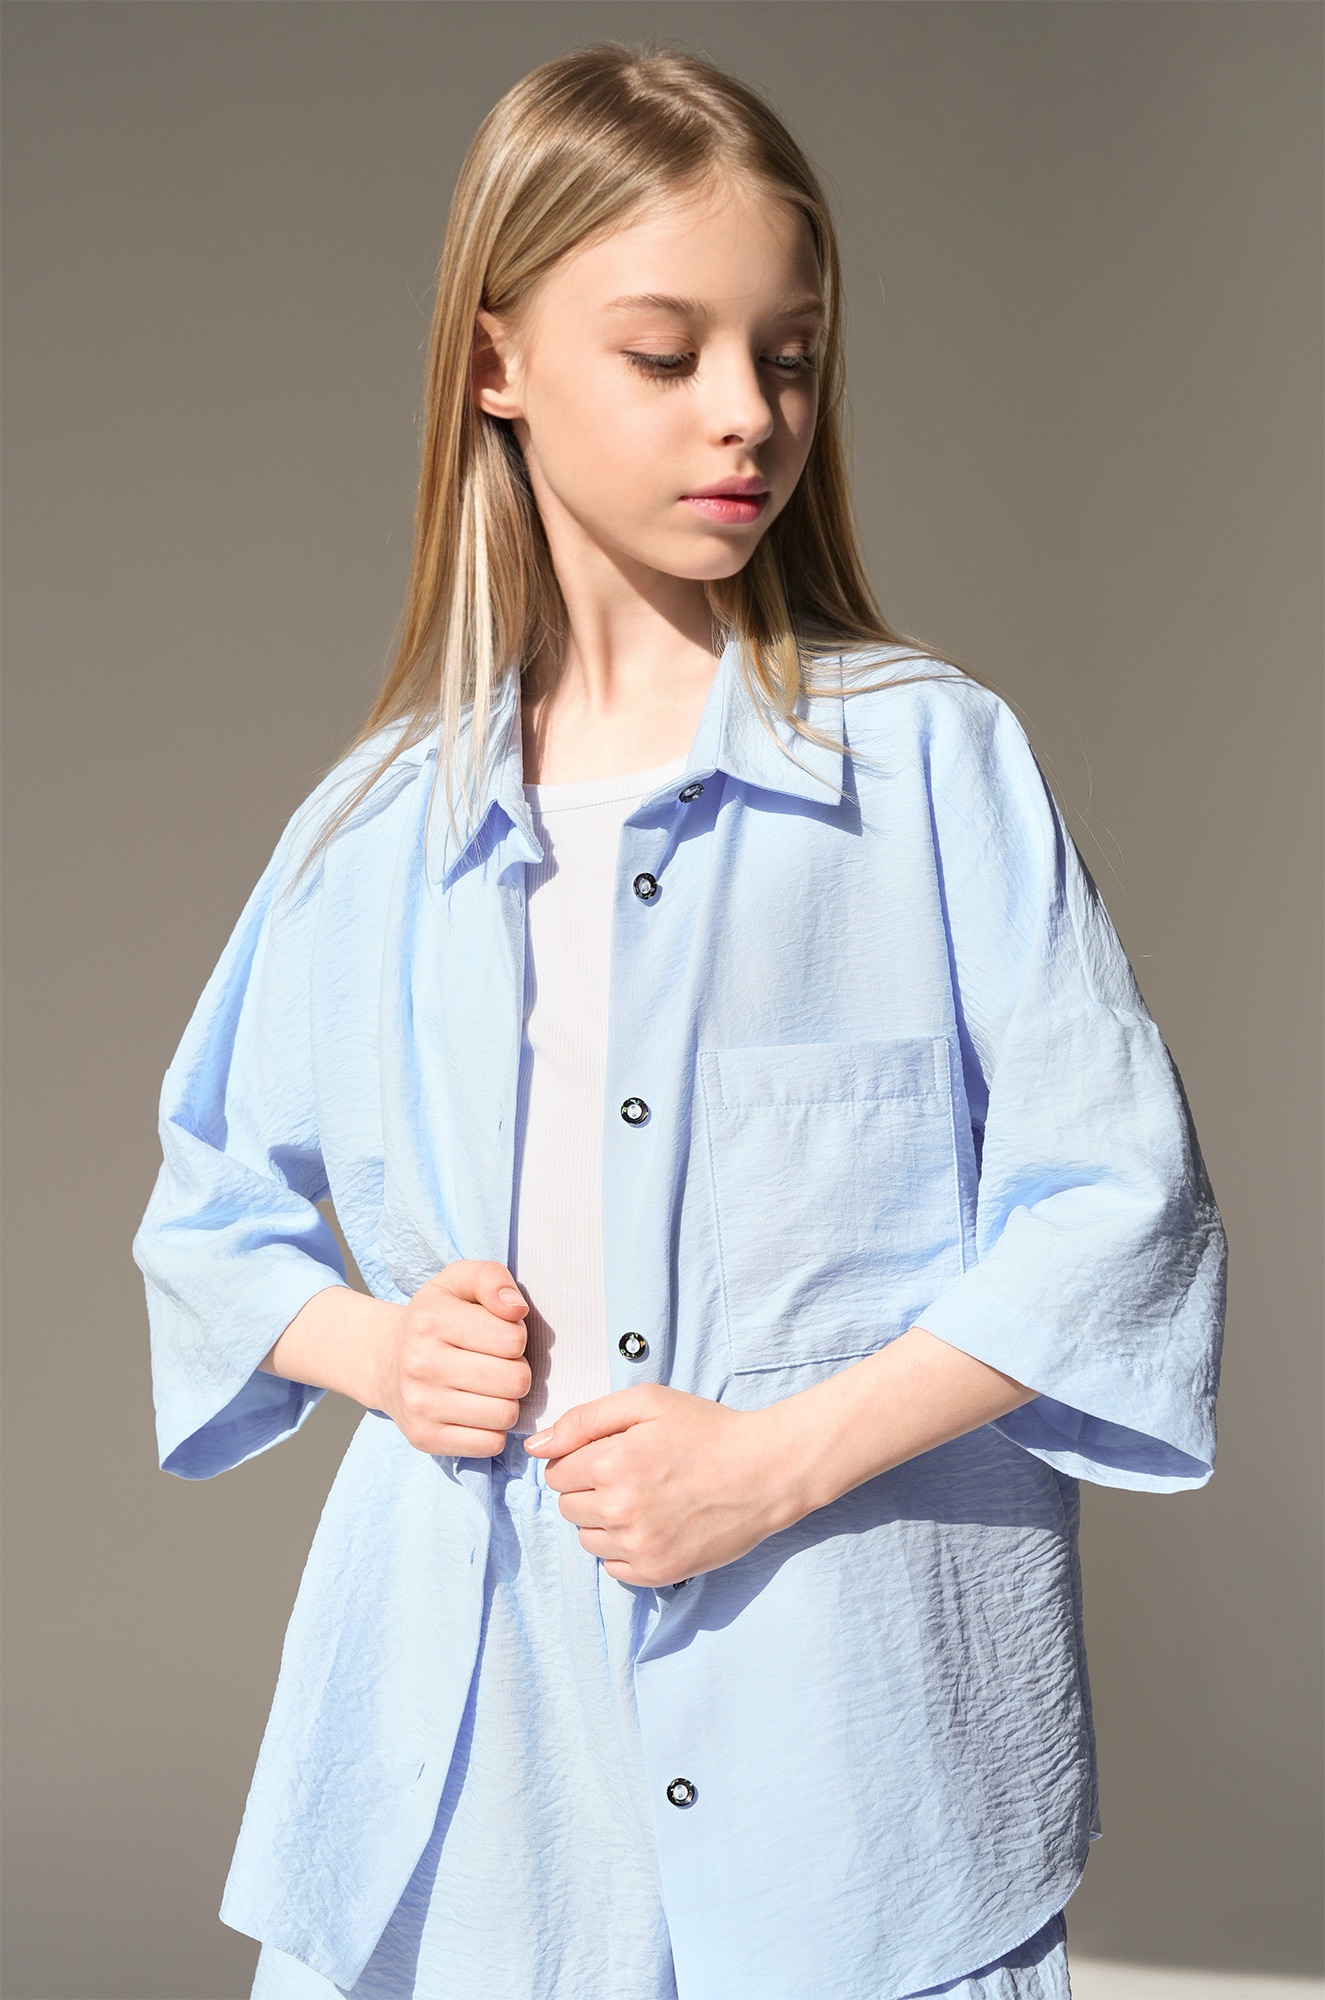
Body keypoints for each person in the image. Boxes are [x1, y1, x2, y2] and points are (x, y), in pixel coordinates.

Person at [133, 39, 1226, 2000]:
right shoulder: (372, 838)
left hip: (853, 1768)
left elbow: (1115, 1209)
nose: (748, 413)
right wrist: (381, 1345)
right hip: (465, 1769)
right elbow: (206, 1225)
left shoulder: (931, 772)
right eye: (666, 352)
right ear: (495, 361)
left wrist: (774, 1461)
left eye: (787, 355)